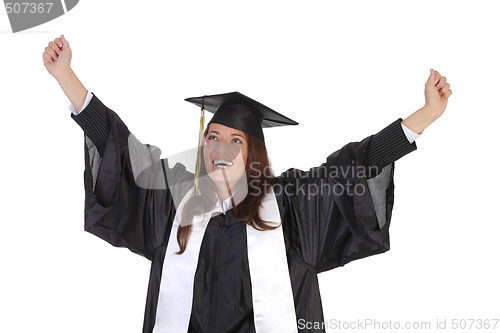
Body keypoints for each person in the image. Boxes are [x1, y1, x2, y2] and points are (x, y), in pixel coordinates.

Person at [43, 35, 452, 333]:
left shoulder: (293, 206)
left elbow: (354, 168)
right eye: (214, 137)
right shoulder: (171, 201)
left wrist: (425, 115)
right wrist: (66, 77)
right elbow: (120, 151)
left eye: (236, 140)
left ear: (253, 150)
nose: (222, 148)